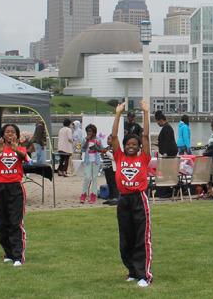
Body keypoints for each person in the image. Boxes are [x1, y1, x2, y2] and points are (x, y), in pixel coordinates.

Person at [111, 100, 152, 287]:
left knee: (140, 236)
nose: (131, 146)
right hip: (124, 200)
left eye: (134, 144)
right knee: (126, 236)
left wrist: (145, 112)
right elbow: (114, 136)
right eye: (128, 144)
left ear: (138, 147)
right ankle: (132, 271)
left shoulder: (143, 158)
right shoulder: (119, 156)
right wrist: (118, 113)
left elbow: (145, 136)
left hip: (139, 199)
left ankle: (144, 275)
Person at [0, 124, 28, 266]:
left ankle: (18, 256)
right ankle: (8, 253)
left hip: (15, 187)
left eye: (13, 132)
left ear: (17, 135)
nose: (10, 134)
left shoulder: (20, 149)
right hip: (0, 187)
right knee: (1, 222)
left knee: (15, 222)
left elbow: (25, 157)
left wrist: (16, 149)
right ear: (3, 135)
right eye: (7, 132)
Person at [79, 124, 102, 204]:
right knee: (87, 177)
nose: (89, 133)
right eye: (88, 131)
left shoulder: (98, 139)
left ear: (94, 132)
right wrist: (87, 141)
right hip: (88, 160)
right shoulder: (85, 139)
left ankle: (93, 194)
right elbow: (82, 149)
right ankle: (84, 194)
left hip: (96, 161)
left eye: (90, 131)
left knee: (95, 178)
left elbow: (101, 149)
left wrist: (97, 149)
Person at [101, 134, 119, 205]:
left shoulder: (115, 148)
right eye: (107, 139)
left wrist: (107, 152)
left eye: (109, 139)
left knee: (113, 183)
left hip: (112, 169)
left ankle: (115, 197)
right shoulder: (108, 148)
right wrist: (103, 155)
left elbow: (114, 157)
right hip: (107, 168)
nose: (108, 141)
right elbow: (106, 158)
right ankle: (110, 197)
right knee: (109, 183)